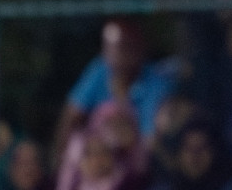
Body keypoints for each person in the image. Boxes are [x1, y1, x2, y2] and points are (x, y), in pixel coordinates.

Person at [53, 19, 176, 151]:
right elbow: (72, 115)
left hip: (137, 161)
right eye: (109, 48)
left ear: (140, 48)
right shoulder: (100, 69)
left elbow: (149, 141)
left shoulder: (157, 82)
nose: (115, 55)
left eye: (124, 47)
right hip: (98, 160)